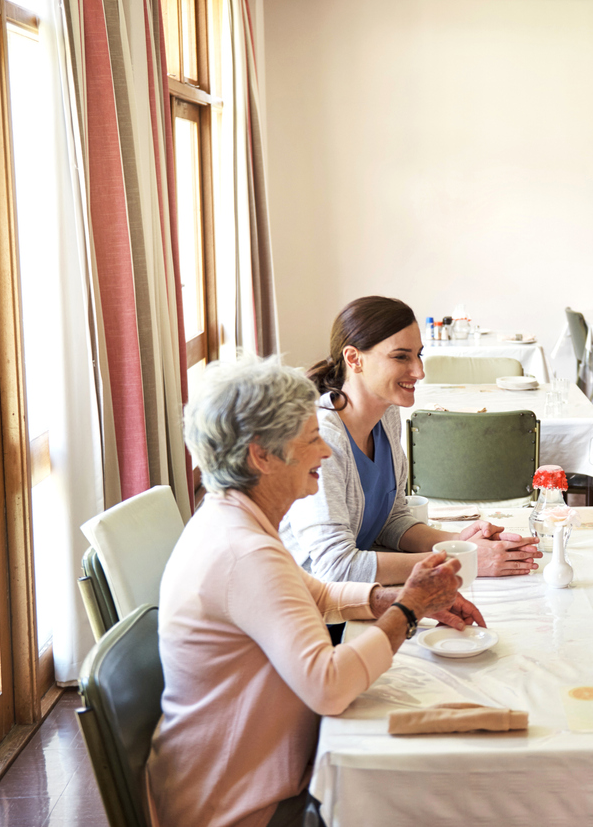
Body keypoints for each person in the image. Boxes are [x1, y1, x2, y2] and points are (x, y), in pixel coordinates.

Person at [147, 356, 484, 827]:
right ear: (261, 456)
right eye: (311, 440)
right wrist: (407, 611)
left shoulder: (231, 520)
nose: (326, 454)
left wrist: (389, 599)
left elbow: (314, 594)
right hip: (241, 807)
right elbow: (328, 687)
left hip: (245, 776)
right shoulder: (244, 553)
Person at [282, 296, 541, 584]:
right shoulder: (322, 438)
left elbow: (390, 521)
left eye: (418, 354)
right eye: (401, 356)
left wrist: (459, 542)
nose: (419, 371)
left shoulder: (386, 412)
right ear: (354, 359)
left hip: (358, 594)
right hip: (311, 609)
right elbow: (336, 568)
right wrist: (459, 560)